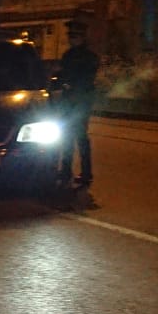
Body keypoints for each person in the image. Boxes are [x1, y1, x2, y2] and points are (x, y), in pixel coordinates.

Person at [57, 19, 100, 188]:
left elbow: (86, 80)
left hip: (81, 102)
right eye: (70, 36)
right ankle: (67, 170)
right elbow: (62, 76)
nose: (71, 39)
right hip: (69, 102)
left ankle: (86, 173)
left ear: (82, 38)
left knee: (80, 138)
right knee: (67, 137)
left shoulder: (89, 57)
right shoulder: (68, 55)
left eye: (74, 36)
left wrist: (70, 86)